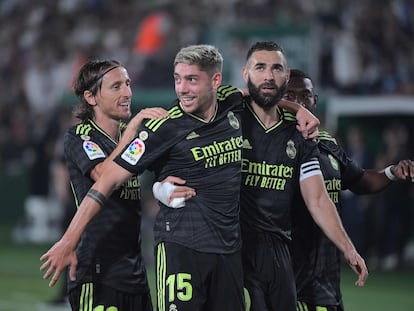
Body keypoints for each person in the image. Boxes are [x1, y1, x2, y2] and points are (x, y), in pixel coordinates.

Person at [40, 45, 319, 311]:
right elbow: (106, 180)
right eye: (178, 79)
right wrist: (68, 240)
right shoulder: (162, 127)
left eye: (192, 80)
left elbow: (260, 96)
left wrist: (299, 109)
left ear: (215, 81)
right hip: (179, 251)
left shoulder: (230, 103)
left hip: (227, 254)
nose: (182, 88)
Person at [154, 41, 368, 311]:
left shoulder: (298, 133)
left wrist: (348, 248)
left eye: (276, 68)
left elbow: (317, 199)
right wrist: (159, 187)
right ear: (246, 74)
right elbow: (181, 143)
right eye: (260, 68)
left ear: (286, 76)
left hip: (279, 251)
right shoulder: (226, 117)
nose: (268, 75)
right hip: (234, 247)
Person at [41, 59, 169, 311]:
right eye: (116, 86)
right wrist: (132, 130)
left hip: (135, 274)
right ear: (91, 97)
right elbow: (104, 176)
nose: (127, 93)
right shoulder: (79, 136)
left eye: (128, 84)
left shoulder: (131, 138)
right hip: (97, 270)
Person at [286, 69, 414, 311]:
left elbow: (360, 180)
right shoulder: (272, 146)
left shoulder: (327, 144)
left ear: (315, 101)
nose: (299, 103)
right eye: (290, 96)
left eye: (305, 96)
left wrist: (392, 172)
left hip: (327, 278)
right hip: (292, 280)